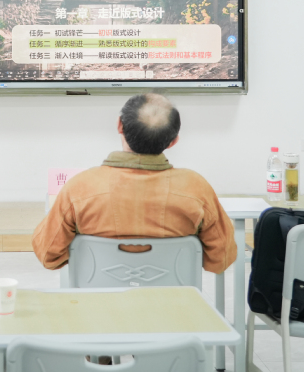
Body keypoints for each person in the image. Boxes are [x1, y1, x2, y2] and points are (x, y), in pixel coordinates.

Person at [31, 92, 236, 274]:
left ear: (119, 125)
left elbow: (48, 256)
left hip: (98, 303)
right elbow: (221, 261)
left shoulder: (79, 188)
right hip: (172, 302)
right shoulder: (196, 188)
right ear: (173, 141)